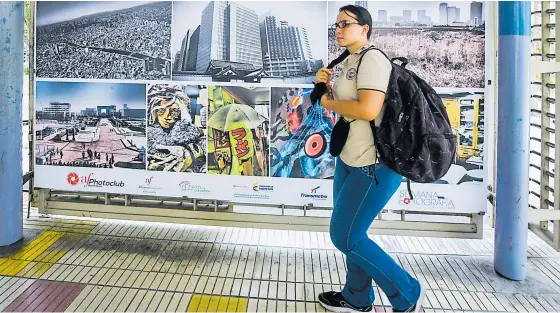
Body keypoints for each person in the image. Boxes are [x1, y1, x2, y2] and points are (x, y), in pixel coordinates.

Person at [315, 5, 425, 313]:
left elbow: (368, 110)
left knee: (344, 235)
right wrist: (325, 83)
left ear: (364, 28)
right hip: (350, 159)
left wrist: (327, 100)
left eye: (345, 23)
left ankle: (407, 291)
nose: (338, 29)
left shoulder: (373, 59)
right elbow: (349, 104)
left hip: (374, 165)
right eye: (335, 24)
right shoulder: (349, 60)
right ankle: (357, 297)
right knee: (354, 234)